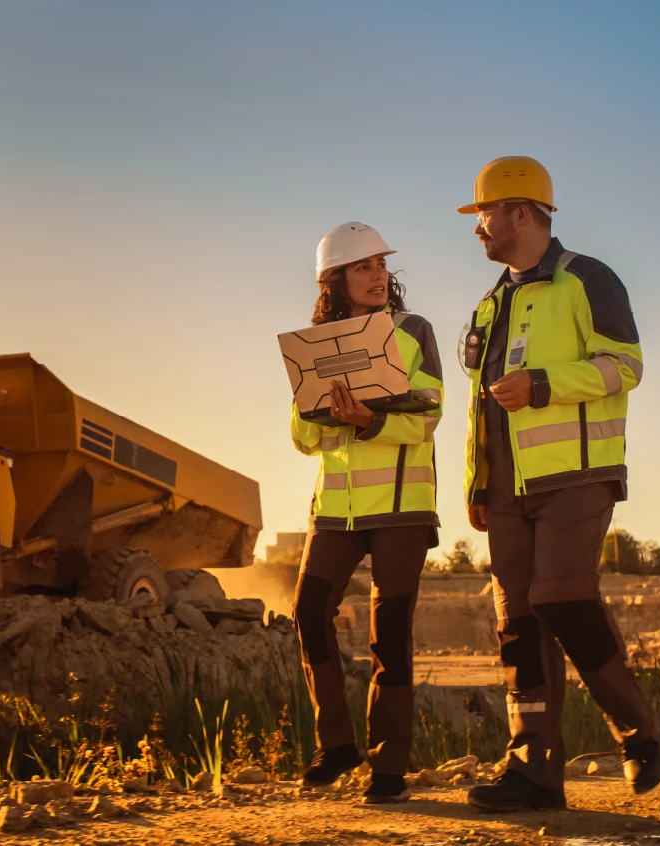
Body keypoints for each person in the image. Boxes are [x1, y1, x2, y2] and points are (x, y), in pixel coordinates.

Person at [454, 157, 660, 811]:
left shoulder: (588, 279)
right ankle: (535, 772)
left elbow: (624, 365)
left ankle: (637, 735)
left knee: (564, 598)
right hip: (507, 489)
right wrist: (477, 479)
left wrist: (543, 384)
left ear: (521, 211)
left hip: (577, 474)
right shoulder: (491, 302)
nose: (477, 229)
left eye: (483, 214)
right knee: (518, 623)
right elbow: (479, 402)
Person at [290, 222, 444, 804]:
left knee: (390, 635)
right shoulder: (314, 344)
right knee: (308, 612)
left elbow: (428, 415)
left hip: (402, 508)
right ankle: (337, 745)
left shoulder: (414, 332)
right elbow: (302, 437)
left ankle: (389, 767)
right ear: (337, 280)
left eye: (381, 265)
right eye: (364, 267)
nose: (378, 275)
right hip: (335, 509)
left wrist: (369, 419)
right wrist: (326, 413)